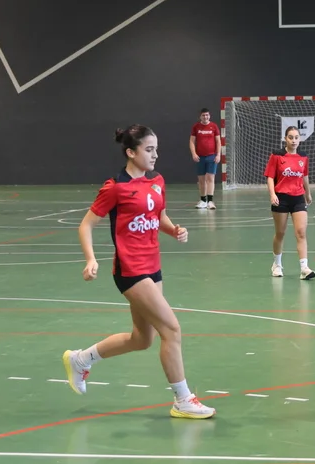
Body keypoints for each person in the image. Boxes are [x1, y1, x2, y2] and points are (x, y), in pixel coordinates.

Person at [61, 124, 215, 419]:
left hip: (153, 266)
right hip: (130, 270)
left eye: (157, 149)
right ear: (131, 152)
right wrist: (90, 259)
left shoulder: (157, 181)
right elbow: (86, 225)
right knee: (171, 329)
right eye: (149, 149)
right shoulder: (115, 187)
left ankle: (81, 360)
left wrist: (174, 230)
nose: (155, 155)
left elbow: (159, 216)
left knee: (142, 339)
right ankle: (183, 399)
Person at [265, 125, 315, 279]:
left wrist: (308, 193)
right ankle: (277, 265)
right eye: (290, 137)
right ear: (285, 139)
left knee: (301, 232)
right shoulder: (277, 156)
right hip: (281, 198)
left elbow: (304, 176)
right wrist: (272, 194)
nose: (294, 140)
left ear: (300, 139)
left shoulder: (303, 157)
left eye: (296, 138)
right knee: (280, 233)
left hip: (298, 197)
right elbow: (270, 176)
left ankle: (304, 268)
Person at [189, 108, 221, 209]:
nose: (205, 117)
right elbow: (192, 141)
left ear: (209, 116)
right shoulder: (196, 127)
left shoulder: (214, 126)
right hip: (200, 157)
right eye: (203, 115)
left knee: (210, 178)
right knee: (201, 179)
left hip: (211, 156)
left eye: (207, 115)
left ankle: (210, 201)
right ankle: (203, 200)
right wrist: (194, 154)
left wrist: (218, 155)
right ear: (200, 116)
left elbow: (218, 141)